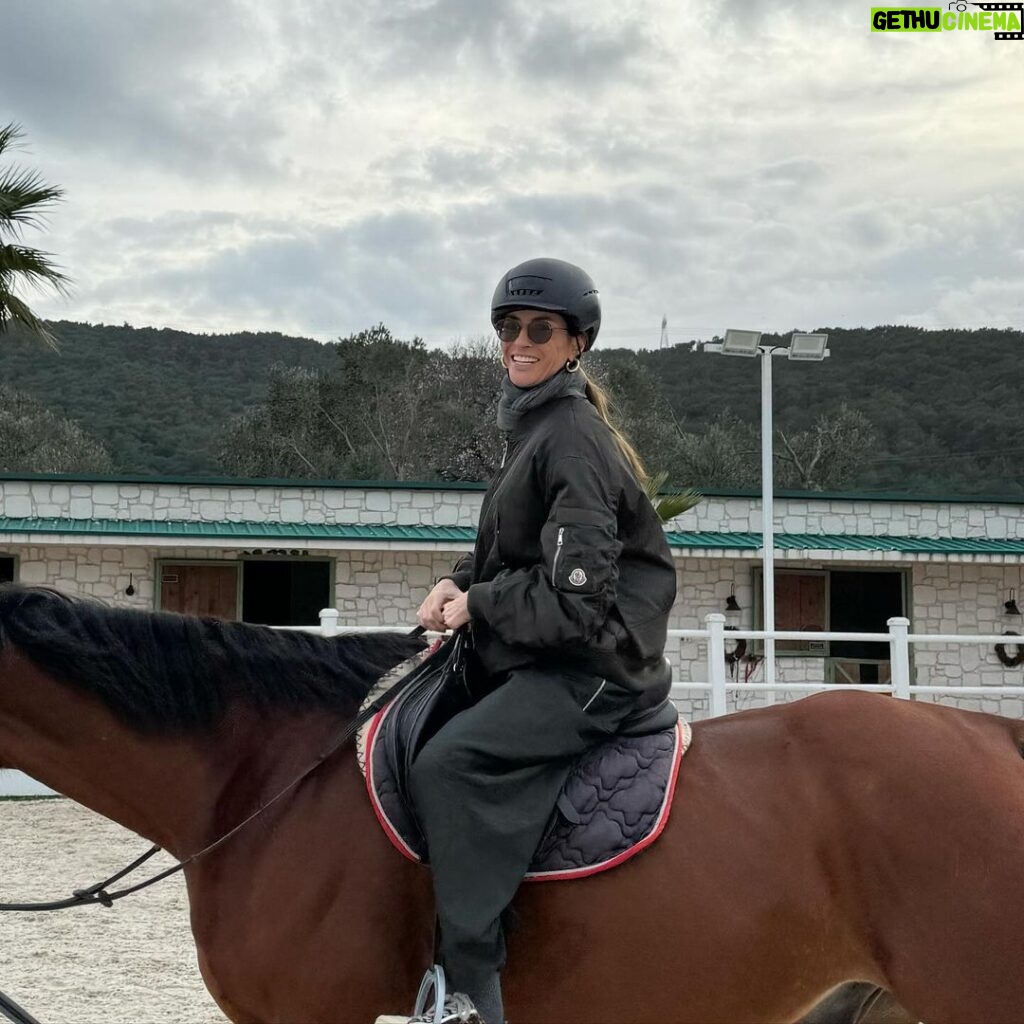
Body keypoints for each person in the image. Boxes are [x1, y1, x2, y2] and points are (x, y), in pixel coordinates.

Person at [406, 258, 677, 1024]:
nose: (517, 342)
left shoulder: (572, 439)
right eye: (506, 327)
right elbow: (519, 548)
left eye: (537, 329)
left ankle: (470, 992)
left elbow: (577, 600)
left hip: (596, 665)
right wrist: (461, 582)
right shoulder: (536, 428)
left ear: (576, 343)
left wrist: (481, 604)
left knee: (451, 763)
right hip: (550, 647)